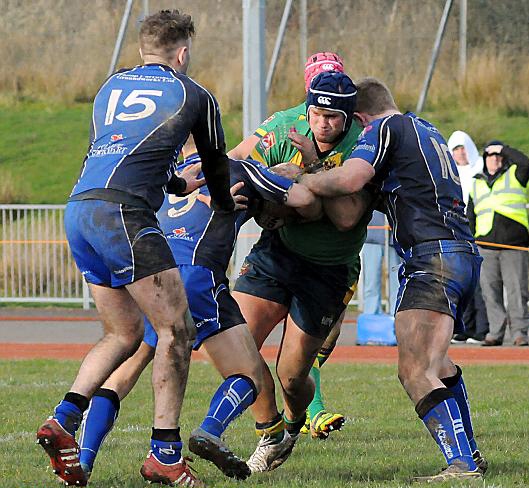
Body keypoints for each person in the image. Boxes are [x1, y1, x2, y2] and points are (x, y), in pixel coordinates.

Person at [36, 10, 237, 487]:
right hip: (124, 217)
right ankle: (165, 454)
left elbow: (111, 150)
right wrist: (222, 204)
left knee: (123, 334)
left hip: (80, 209)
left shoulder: (110, 87)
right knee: (177, 329)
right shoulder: (195, 94)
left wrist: (172, 183)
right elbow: (217, 166)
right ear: (183, 52)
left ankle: (64, 419)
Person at [76, 139, 321, 484]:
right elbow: (305, 200)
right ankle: (210, 430)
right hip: (196, 275)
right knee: (249, 374)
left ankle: (83, 461)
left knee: (124, 371)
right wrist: (303, 184)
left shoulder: (178, 171)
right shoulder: (249, 172)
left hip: (148, 272)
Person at [297, 77, 488, 482]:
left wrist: (306, 180)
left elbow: (349, 180)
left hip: (432, 256)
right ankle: (468, 453)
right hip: (462, 252)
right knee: (439, 363)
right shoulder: (426, 130)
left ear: (361, 118)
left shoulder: (384, 128)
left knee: (415, 369)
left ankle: (462, 464)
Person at [233, 71, 374, 472]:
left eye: (333, 116)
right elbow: (237, 162)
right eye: (316, 113)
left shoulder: (366, 145)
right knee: (235, 340)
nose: (323, 123)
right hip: (278, 253)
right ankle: (270, 433)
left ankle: (294, 423)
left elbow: (346, 217)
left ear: (348, 117)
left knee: (292, 376)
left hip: (328, 269)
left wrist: (311, 167)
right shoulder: (283, 127)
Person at [467, 141, 529, 347]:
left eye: (498, 155)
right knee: (489, 292)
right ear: (484, 159)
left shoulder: (515, 175)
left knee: (517, 291)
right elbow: (470, 215)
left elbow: (525, 163)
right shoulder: (476, 183)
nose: (494, 159)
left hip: (515, 245)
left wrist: (504, 149)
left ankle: (520, 333)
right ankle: (496, 332)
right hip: (485, 245)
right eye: (490, 155)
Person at [447, 131, 489, 343]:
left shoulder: (480, 171)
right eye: (456, 149)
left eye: (463, 148)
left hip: (477, 231)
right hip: (454, 231)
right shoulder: (448, 172)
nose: (461, 153)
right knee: (461, 282)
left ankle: (481, 329)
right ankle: (464, 327)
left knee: (479, 283)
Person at [361, 210, 400, 315]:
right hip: (371, 238)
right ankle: (371, 314)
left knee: (395, 281)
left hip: (393, 239)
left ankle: (395, 313)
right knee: (371, 280)